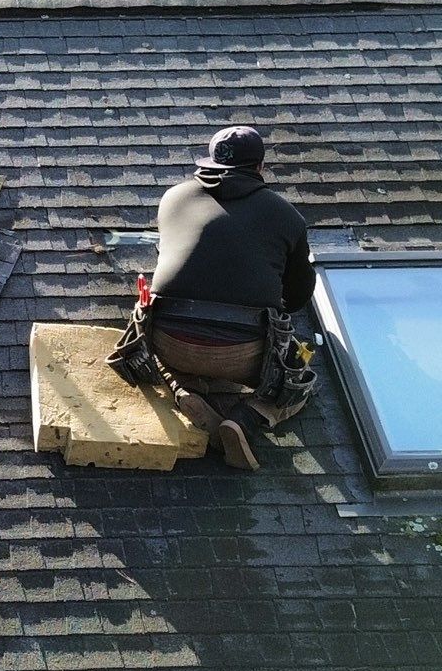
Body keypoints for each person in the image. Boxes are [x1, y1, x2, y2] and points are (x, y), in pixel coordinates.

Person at [130, 126, 318, 470]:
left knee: (160, 351)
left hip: (169, 338)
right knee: (300, 379)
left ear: (211, 161)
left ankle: (184, 388)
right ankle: (246, 419)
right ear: (259, 167)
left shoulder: (173, 198)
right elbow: (298, 295)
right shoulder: (286, 216)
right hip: (242, 354)